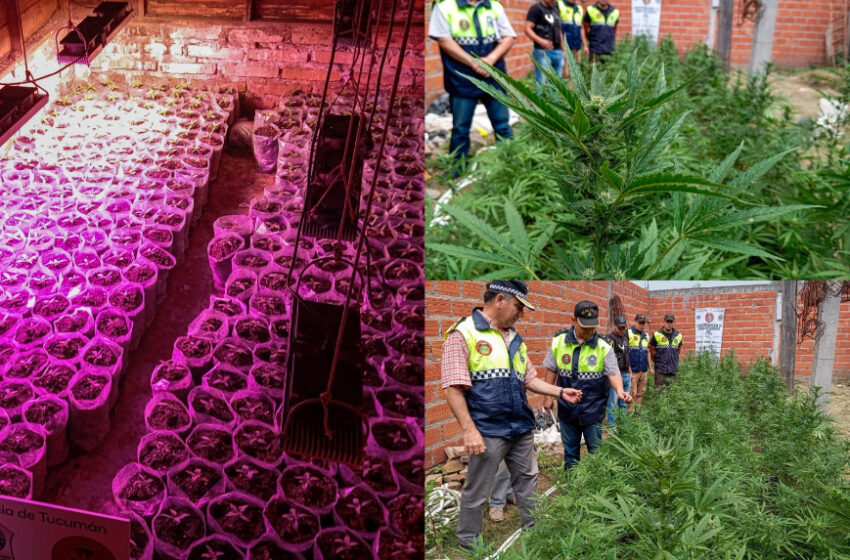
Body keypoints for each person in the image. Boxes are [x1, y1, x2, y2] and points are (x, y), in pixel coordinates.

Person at [441, 281, 583, 550]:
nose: (522, 313)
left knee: (528, 482)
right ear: (500, 300)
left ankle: (535, 532)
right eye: (519, 307)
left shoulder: (514, 339)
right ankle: (468, 543)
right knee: (477, 489)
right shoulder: (464, 333)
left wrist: (560, 390)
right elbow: (452, 386)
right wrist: (469, 429)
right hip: (488, 430)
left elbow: (529, 378)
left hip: (520, 426)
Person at [429, 0, 517, 173]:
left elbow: (508, 37)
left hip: (493, 77)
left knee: (502, 125)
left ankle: (510, 164)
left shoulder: (494, 6)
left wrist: (489, 61)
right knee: (460, 128)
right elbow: (444, 40)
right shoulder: (445, 6)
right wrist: (474, 62)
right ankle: (457, 168)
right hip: (462, 79)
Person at [543, 301, 631, 469]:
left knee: (596, 452)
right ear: (573, 320)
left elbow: (614, 373)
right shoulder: (559, 342)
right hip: (567, 410)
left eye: (593, 326)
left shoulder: (603, 346)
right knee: (570, 453)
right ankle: (573, 488)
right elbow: (551, 370)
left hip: (593, 410)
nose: (590, 331)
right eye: (585, 326)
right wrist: (547, 396)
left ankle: (595, 488)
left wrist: (620, 391)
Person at [525, 0, 563, 87]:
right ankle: (538, 100)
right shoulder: (535, 9)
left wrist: (563, 49)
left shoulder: (556, 8)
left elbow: (559, 30)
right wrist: (540, 41)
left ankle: (554, 100)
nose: (553, 1)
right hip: (542, 51)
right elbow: (527, 28)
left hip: (558, 51)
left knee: (557, 84)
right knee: (540, 82)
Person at [603, 315, 630, 428]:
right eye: (619, 328)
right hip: (615, 375)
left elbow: (627, 356)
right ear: (614, 326)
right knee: (613, 403)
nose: (622, 330)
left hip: (626, 374)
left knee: (624, 402)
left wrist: (630, 372)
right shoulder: (609, 339)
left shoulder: (625, 338)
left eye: (623, 328)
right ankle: (612, 426)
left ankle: (623, 424)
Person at [649, 314, 684, 387]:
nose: (669, 323)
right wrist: (656, 361)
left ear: (673, 323)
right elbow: (651, 350)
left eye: (671, 322)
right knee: (659, 392)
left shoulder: (678, 335)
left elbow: (678, 351)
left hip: (673, 369)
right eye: (667, 321)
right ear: (664, 322)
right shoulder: (657, 334)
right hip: (660, 370)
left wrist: (674, 361)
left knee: (672, 392)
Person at [627, 314, 652, 407]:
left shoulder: (646, 335)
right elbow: (625, 354)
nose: (641, 325)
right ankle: (630, 415)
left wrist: (651, 367)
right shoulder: (628, 333)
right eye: (640, 323)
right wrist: (628, 370)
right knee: (632, 393)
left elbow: (648, 352)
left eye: (643, 323)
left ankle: (637, 412)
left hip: (643, 370)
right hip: (633, 371)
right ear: (635, 322)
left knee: (641, 392)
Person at [557, 0, 585, 69]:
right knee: (565, 74)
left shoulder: (579, 9)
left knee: (576, 73)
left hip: (577, 47)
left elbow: (581, 27)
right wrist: (563, 47)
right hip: (565, 48)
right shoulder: (559, 4)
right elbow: (557, 28)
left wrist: (585, 45)